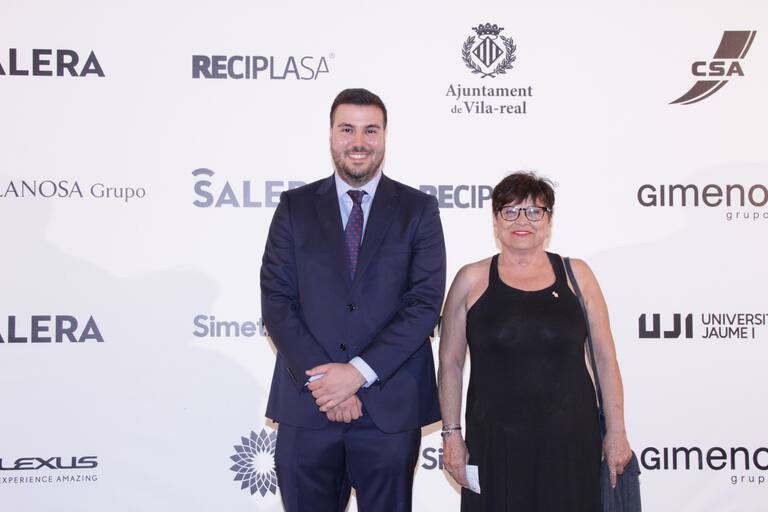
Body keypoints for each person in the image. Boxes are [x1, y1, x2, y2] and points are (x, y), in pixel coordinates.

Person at [260, 88, 446, 512]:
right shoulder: (294, 207)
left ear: (384, 136)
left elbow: (423, 303)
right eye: (347, 129)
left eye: (370, 130)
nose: (358, 142)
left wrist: (358, 374)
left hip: (388, 410)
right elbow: (276, 299)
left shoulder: (419, 210)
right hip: (308, 407)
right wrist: (328, 384)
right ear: (331, 135)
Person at [438, 171, 632, 511]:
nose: (522, 221)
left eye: (534, 211)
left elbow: (605, 358)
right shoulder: (470, 280)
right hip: (494, 443)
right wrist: (451, 434)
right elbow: (450, 364)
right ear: (495, 220)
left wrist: (616, 432)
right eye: (510, 211)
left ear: (549, 220)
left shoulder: (578, 275)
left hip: (570, 440)